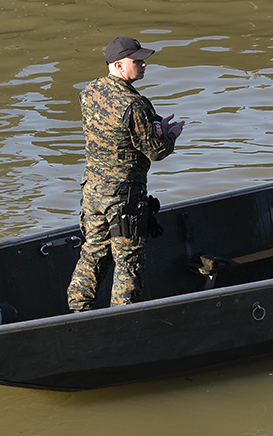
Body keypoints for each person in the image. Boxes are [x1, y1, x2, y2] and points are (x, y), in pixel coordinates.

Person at [67, 36, 185, 311]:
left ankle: (76, 309)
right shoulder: (135, 105)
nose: (144, 64)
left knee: (93, 251)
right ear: (119, 65)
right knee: (128, 261)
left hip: (92, 191)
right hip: (124, 197)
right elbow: (155, 152)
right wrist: (170, 135)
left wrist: (153, 125)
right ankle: (123, 317)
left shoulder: (90, 92)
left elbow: (113, 132)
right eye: (137, 61)